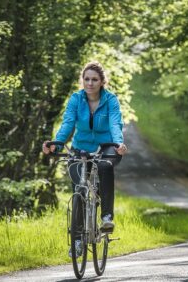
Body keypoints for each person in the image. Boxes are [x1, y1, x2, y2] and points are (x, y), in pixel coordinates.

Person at [42, 61, 128, 256]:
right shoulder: (76, 99)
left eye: (94, 79)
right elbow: (68, 123)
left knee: (105, 167)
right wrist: (56, 143)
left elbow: (115, 124)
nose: (90, 83)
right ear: (82, 80)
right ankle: (78, 240)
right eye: (87, 79)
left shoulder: (111, 100)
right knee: (79, 189)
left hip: (106, 146)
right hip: (80, 148)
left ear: (102, 81)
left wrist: (118, 144)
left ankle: (106, 216)